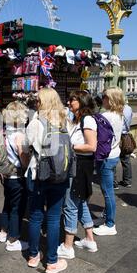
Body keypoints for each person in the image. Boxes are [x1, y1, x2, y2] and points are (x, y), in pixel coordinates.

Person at [26, 87, 70, 273]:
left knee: (35, 216)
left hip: (38, 175)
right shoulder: (63, 121)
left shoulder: (35, 123)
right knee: (53, 218)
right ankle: (52, 262)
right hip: (59, 176)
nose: (35, 102)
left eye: (38, 100)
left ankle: (33, 255)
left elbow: (27, 148)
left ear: (41, 102)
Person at [57, 91, 98, 260]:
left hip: (80, 166)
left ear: (81, 102)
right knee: (80, 202)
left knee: (70, 205)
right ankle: (89, 239)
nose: (69, 102)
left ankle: (68, 246)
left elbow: (91, 146)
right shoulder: (76, 120)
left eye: (72, 99)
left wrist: (69, 146)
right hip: (78, 164)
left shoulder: (88, 120)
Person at [0, 101, 30, 252]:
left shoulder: (4, 131)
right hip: (17, 176)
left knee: (7, 204)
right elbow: (23, 161)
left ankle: (3, 232)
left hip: (5, 174)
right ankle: (13, 240)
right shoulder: (19, 135)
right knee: (17, 208)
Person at [93, 88, 124, 236]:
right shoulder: (119, 115)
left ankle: (110, 224)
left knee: (107, 191)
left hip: (105, 156)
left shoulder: (104, 116)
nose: (102, 99)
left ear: (110, 99)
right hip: (114, 153)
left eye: (104, 97)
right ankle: (106, 217)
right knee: (108, 189)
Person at [114, 101, 134, 188]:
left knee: (114, 159)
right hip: (126, 136)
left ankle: (114, 183)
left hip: (117, 136)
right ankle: (127, 181)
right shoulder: (129, 108)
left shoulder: (115, 109)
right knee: (126, 160)